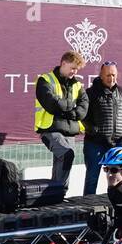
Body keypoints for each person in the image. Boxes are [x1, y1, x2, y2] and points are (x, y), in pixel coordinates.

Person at [34, 50, 89, 200]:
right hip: (50, 130)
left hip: (70, 131)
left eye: (77, 69)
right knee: (66, 154)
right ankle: (60, 192)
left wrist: (68, 110)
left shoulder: (77, 84)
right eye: (72, 68)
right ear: (63, 63)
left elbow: (83, 108)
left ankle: (56, 195)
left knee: (63, 162)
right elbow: (51, 104)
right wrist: (72, 107)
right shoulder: (45, 80)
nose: (74, 72)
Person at [82, 61, 122, 195]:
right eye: (108, 75)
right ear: (101, 75)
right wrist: (93, 130)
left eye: (114, 75)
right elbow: (82, 116)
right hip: (94, 144)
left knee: (118, 179)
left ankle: (117, 206)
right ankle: (88, 209)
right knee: (92, 179)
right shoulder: (90, 93)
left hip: (117, 143)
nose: (111, 78)